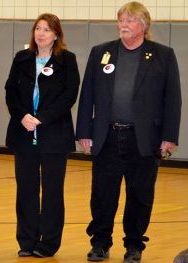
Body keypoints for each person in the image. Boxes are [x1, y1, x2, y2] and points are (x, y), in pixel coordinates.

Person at [76, 2, 181, 262]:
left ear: (143, 26)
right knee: (102, 195)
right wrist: (84, 132)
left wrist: (169, 136)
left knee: (140, 195)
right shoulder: (101, 52)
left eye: (130, 20)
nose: (123, 24)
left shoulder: (163, 55)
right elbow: (87, 93)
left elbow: (173, 99)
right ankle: (100, 242)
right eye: (121, 19)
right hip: (107, 136)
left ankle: (134, 245)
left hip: (144, 139)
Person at [5, 13, 80, 258]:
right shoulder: (22, 58)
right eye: (38, 28)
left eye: (47, 29)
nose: (41, 33)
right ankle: (27, 241)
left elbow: (69, 96)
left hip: (54, 135)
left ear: (56, 34)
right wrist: (22, 116)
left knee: (52, 191)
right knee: (26, 190)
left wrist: (42, 118)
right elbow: (10, 92)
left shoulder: (67, 60)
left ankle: (48, 243)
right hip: (23, 134)